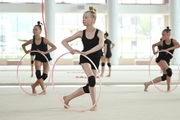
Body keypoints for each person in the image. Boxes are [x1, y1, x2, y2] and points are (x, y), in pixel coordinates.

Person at [61, 6, 104, 111]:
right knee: (92, 79)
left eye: (85, 17)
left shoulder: (100, 33)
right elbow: (64, 41)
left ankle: (67, 98)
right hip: (85, 58)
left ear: (92, 20)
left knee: (91, 84)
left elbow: (100, 45)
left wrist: (87, 52)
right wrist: (71, 49)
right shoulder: (81, 33)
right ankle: (94, 104)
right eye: (82, 18)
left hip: (95, 58)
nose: (83, 19)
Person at [22, 21, 57, 95]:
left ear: (40, 31)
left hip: (46, 57)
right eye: (33, 29)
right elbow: (23, 45)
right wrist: (26, 51)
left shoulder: (44, 40)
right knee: (38, 74)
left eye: (36, 29)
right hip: (38, 58)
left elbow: (54, 47)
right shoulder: (32, 40)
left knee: (44, 76)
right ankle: (43, 89)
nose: (34, 31)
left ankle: (33, 86)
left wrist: (45, 52)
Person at [144, 26, 180, 92]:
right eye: (162, 35)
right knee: (169, 71)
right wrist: (154, 52)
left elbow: (178, 45)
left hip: (167, 60)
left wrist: (168, 49)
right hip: (161, 59)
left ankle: (147, 84)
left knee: (165, 76)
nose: (162, 36)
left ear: (168, 34)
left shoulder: (173, 41)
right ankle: (168, 89)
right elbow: (153, 45)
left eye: (163, 34)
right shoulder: (161, 42)